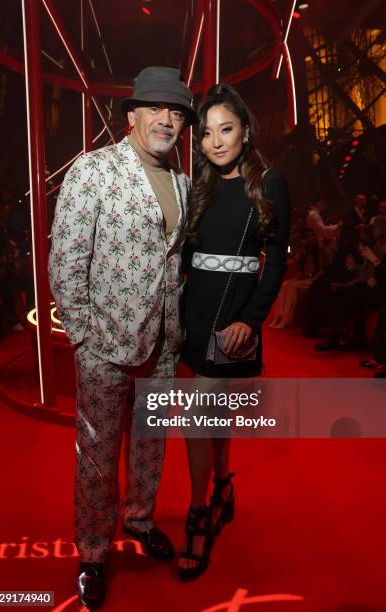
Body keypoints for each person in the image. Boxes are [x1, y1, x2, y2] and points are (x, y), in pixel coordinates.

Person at [49, 66, 196, 609]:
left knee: (150, 446)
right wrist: (85, 338)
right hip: (103, 346)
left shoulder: (182, 180)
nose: (167, 120)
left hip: (164, 342)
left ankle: (138, 519)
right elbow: (65, 262)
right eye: (156, 109)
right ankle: (92, 550)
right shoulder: (92, 171)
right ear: (132, 115)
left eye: (176, 112)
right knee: (96, 452)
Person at [178, 84, 290, 580]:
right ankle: (223, 484)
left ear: (245, 131)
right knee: (214, 410)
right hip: (194, 310)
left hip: (234, 317)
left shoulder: (269, 182)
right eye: (206, 133)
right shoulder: (197, 186)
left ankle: (198, 512)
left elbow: (276, 260)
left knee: (196, 415)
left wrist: (252, 319)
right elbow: (184, 256)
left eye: (226, 129)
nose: (216, 141)